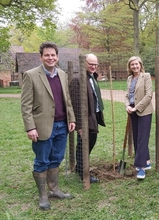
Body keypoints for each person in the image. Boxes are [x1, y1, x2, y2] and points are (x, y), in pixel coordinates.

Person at [21, 42, 76, 210]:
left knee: (57, 159)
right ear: (41, 57)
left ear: (57, 57)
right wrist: (30, 127)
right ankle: (43, 196)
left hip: (62, 126)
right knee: (41, 161)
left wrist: (71, 118)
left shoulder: (62, 74)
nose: (50, 58)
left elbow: (66, 99)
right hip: (42, 127)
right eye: (47, 55)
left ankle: (54, 189)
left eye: (53, 55)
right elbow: (25, 105)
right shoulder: (31, 75)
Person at [69, 54, 106, 184]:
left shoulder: (92, 77)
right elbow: (75, 104)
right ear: (84, 63)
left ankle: (82, 167)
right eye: (91, 64)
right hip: (84, 120)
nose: (93, 66)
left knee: (91, 142)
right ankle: (83, 171)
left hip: (93, 116)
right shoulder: (77, 80)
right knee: (83, 145)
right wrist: (79, 126)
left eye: (95, 64)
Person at [125, 56, 153, 180]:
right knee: (137, 137)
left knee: (142, 138)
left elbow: (148, 95)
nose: (135, 66)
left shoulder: (146, 76)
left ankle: (141, 167)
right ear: (130, 67)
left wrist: (136, 107)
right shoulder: (129, 79)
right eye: (132, 65)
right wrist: (127, 106)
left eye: (136, 64)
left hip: (144, 111)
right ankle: (146, 161)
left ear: (140, 65)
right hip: (132, 111)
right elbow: (127, 95)